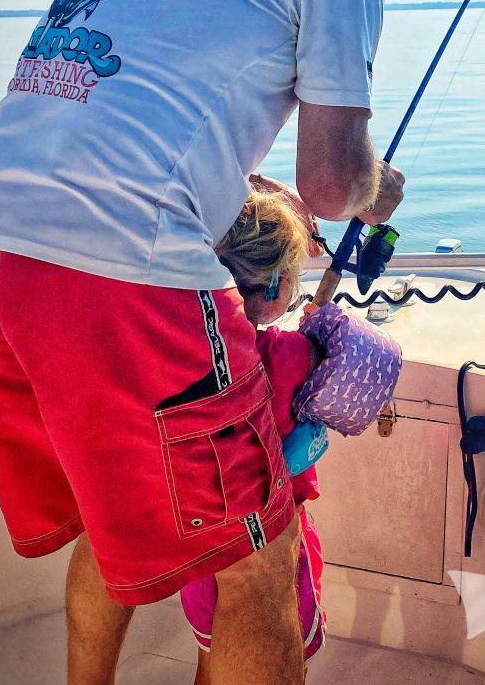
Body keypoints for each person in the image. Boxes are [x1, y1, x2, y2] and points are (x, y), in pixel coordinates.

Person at [0, 0, 405, 685]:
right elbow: (333, 185)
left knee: (108, 513)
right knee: (254, 558)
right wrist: (379, 192)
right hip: (124, 270)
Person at [182, 185, 327, 685]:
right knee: (281, 652)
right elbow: (359, 375)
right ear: (272, 291)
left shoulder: (186, 362)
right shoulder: (296, 356)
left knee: (212, 654)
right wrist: (321, 328)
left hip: (201, 549)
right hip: (275, 542)